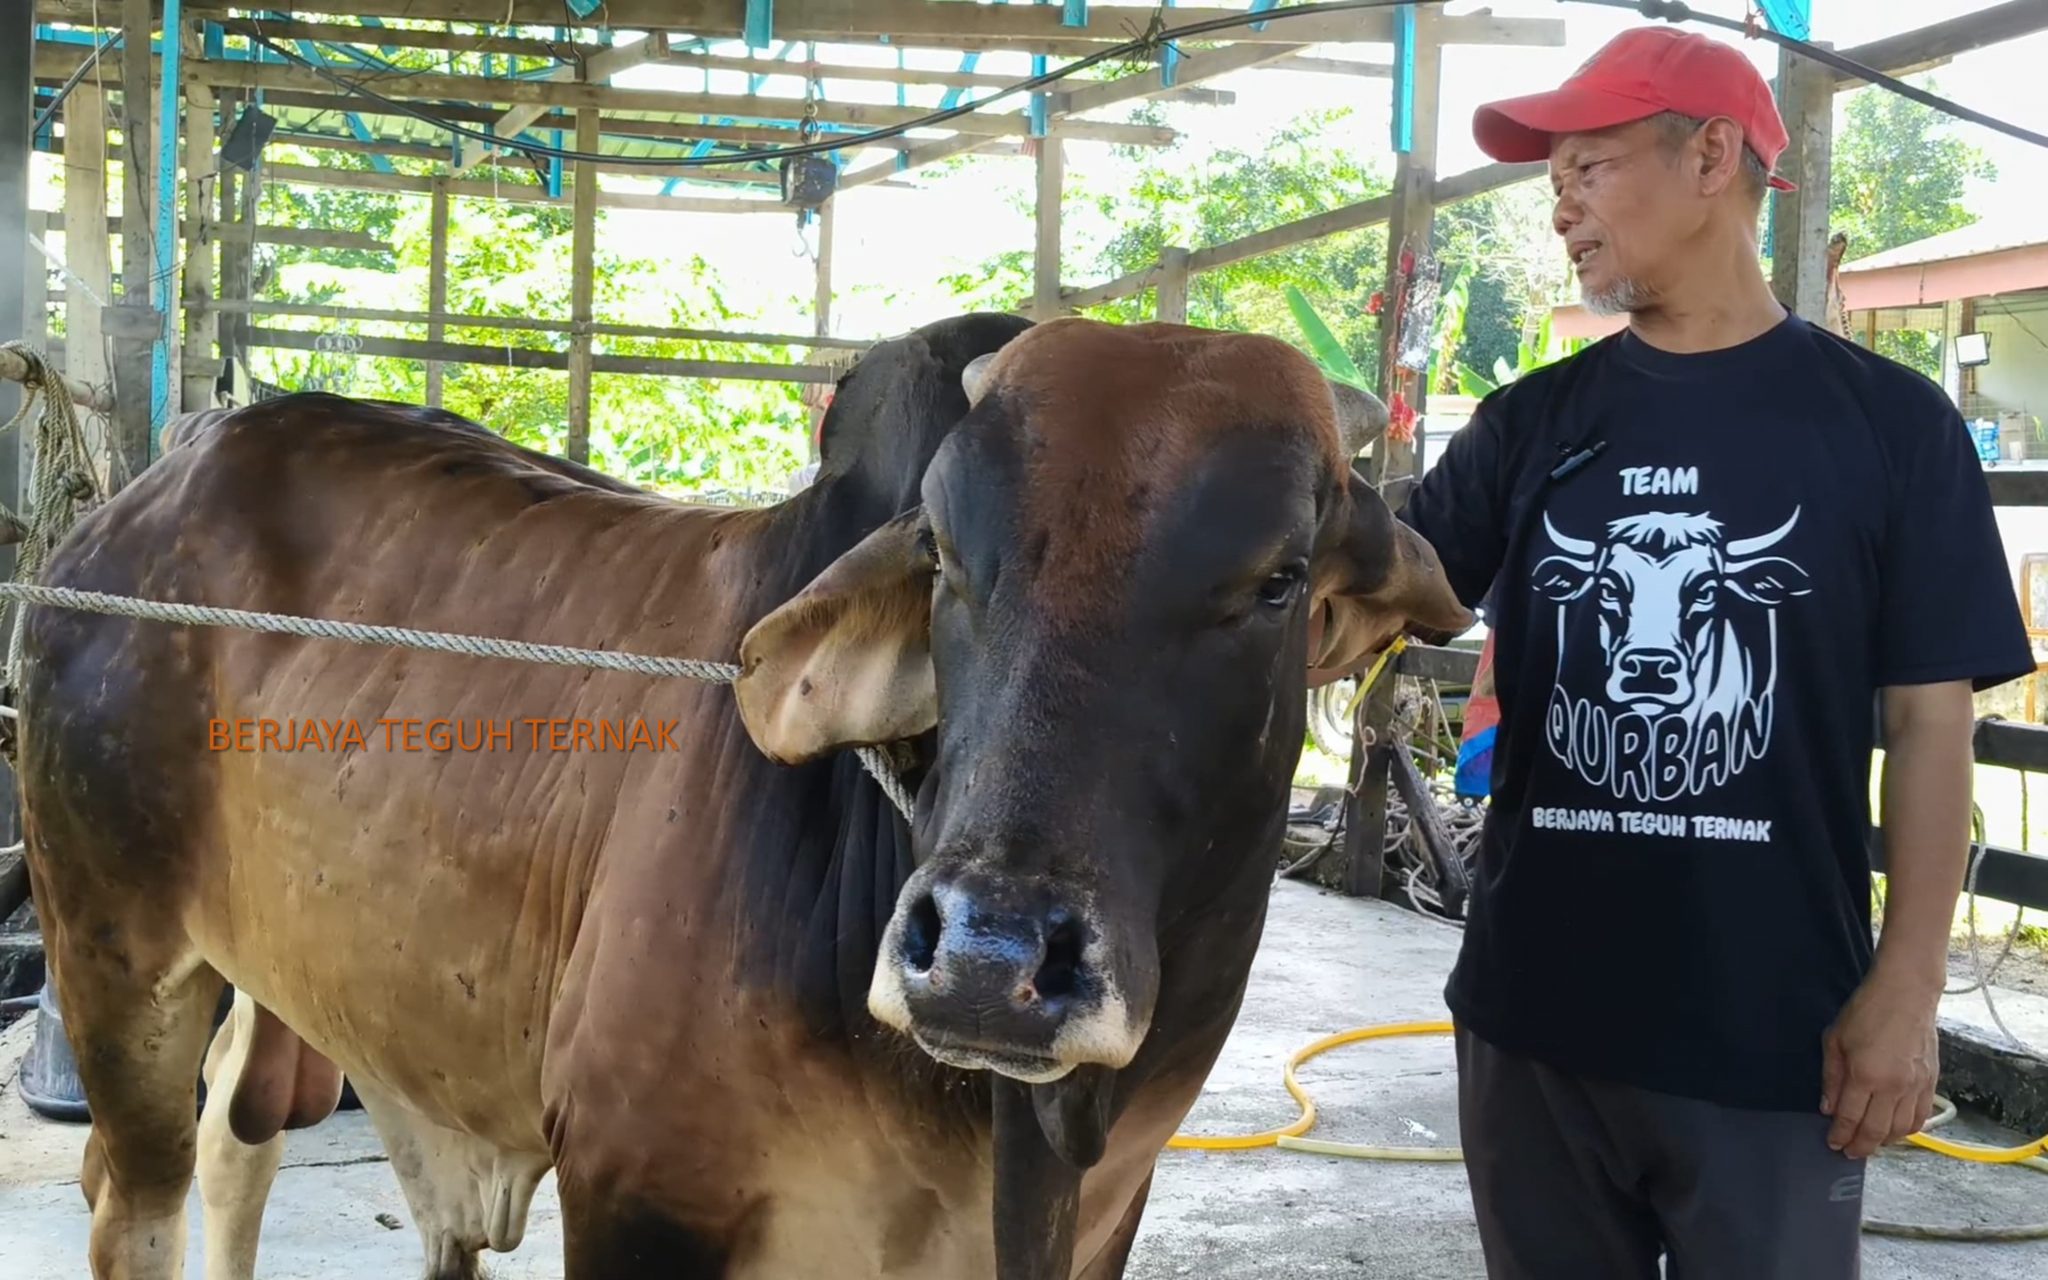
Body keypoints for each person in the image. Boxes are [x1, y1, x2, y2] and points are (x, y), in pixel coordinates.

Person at [1397, 25, 2034, 1279]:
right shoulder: (1528, 424)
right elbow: (1362, 600)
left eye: (1586, 169)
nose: (1560, 208)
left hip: (1772, 1034)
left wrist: (1906, 991)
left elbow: (1929, 725)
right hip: (1531, 1025)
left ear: (1708, 158)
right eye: (1552, 183)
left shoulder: (1889, 428)